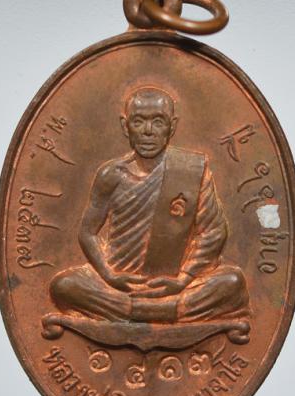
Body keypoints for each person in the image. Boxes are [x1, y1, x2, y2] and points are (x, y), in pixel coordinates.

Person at [42, 87, 250, 349]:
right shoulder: (111, 174)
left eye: (158, 122)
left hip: (174, 285)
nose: (148, 131)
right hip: (120, 285)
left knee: (232, 283)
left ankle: (135, 312)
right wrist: (109, 275)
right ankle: (164, 313)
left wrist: (183, 279)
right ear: (125, 126)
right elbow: (88, 232)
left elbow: (214, 231)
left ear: (172, 126)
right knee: (63, 286)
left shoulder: (192, 170)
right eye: (139, 121)